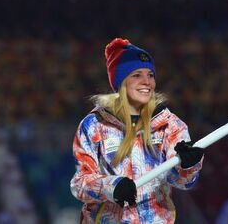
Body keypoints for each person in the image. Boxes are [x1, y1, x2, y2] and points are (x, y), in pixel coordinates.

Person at [70, 38, 204, 223]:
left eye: (150, 75)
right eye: (137, 75)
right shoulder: (94, 125)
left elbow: (183, 182)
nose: (146, 82)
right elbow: (79, 184)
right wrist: (112, 187)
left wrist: (188, 166)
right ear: (121, 82)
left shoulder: (168, 124)